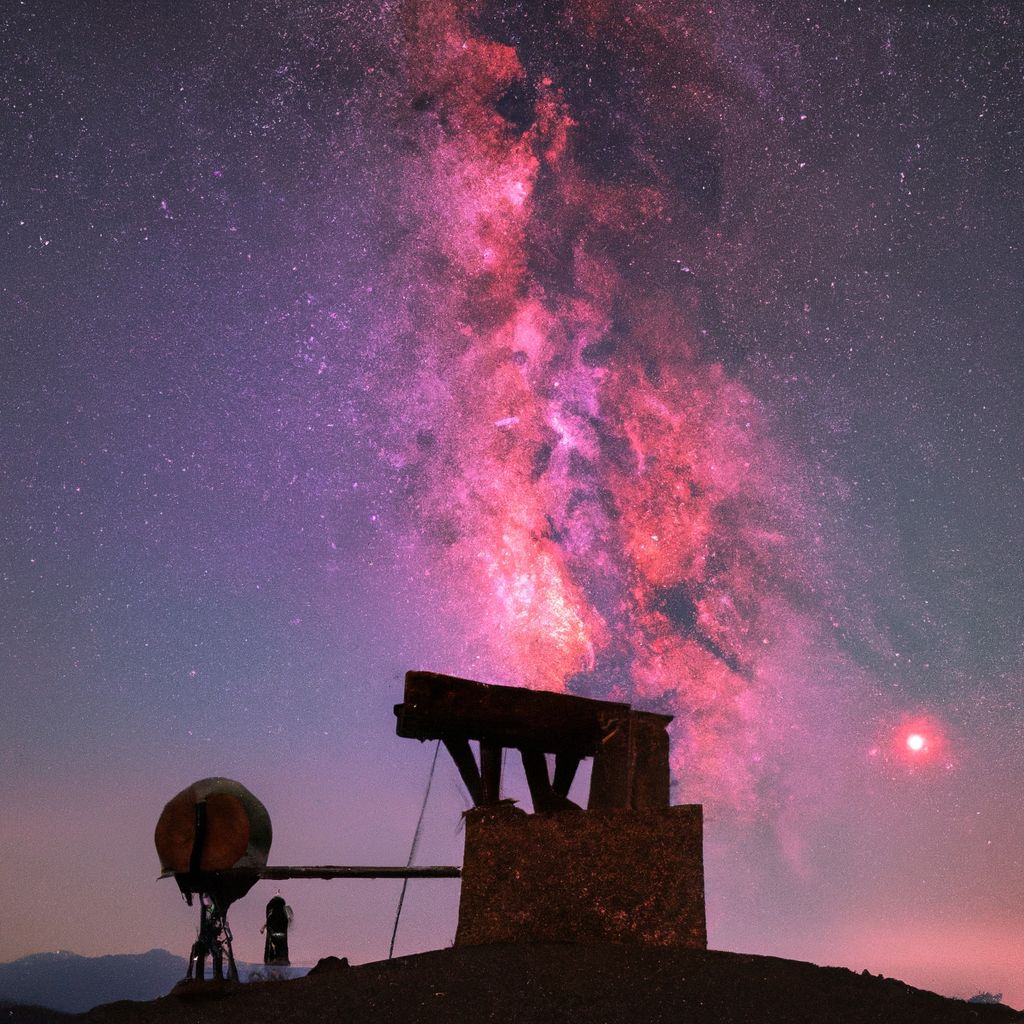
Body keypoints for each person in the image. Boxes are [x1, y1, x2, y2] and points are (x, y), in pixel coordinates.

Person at [261, 893, 293, 965]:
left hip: (273, 942)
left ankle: (273, 960)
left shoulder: (271, 910)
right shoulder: (285, 912)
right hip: (281, 942)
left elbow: (269, 922)